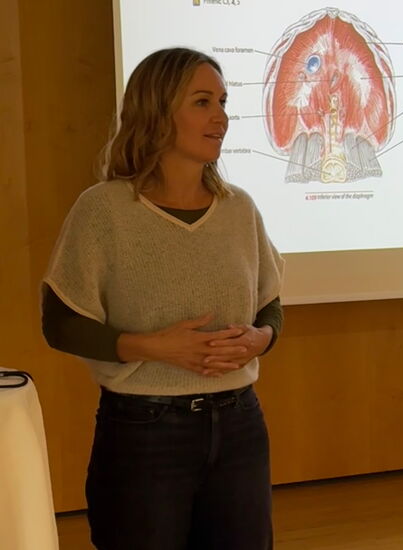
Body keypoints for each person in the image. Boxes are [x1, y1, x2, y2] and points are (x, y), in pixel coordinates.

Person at [41, 47, 284, 550]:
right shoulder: (104, 210)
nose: (221, 117)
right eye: (202, 102)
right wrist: (152, 347)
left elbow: (270, 305)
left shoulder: (240, 209)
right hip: (144, 432)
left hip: (239, 424)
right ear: (156, 110)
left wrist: (260, 338)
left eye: (222, 102)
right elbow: (60, 322)